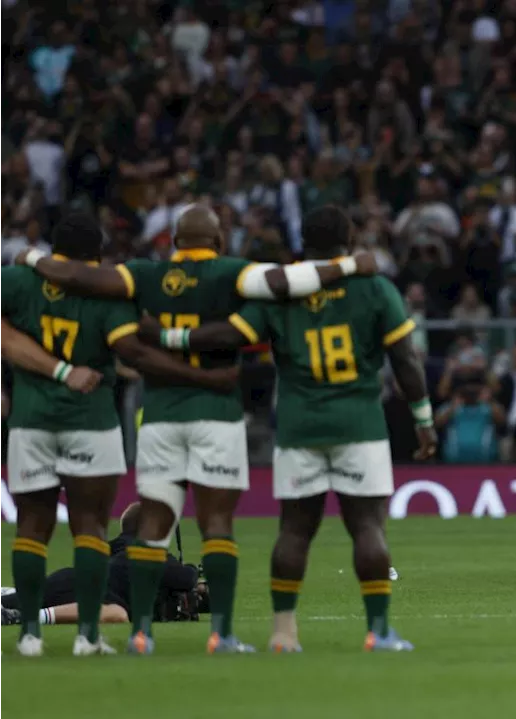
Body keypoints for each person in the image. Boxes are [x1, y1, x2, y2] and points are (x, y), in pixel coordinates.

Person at [17, 204, 378, 655]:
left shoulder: (145, 275)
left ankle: (141, 634)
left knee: (150, 526)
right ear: (219, 241)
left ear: (173, 243)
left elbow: (82, 278)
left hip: (160, 416)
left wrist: (33, 259)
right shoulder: (232, 272)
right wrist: (350, 264)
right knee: (217, 524)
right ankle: (222, 634)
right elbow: (286, 283)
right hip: (216, 416)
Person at [177, 206, 437, 652]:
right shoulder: (373, 287)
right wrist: (424, 421)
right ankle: (378, 631)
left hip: (299, 425)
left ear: (304, 242)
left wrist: (174, 338)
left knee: (294, 530)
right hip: (359, 423)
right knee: (368, 527)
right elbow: (406, 361)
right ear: (350, 238)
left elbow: (237, 338)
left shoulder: (281, 295)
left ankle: (283, 632)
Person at [2, 211, 239, 657]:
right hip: (91, 422)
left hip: (32, 419)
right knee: (90, 529)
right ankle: (87, 637)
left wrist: (47, 369)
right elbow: (131, 351)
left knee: (31, 529)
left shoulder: (17, 282)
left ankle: (29, 636)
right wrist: (198, 376)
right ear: (97, 254)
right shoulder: (106, 294)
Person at [1, 503, 200, 628]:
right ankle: (25, 617)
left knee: (19, 598)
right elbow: (186, 579)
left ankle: (11, 604)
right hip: (93, 596)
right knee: (118, 613)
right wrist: (192, 568)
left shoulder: (114, 549)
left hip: (68, 578)